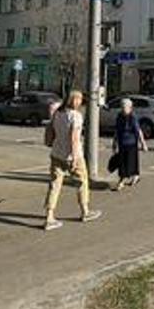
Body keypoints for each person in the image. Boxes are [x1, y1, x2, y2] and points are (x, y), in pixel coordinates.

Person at [43, 90, 102, 231]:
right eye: (79, 99)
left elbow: (53, 132)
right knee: (82, 182)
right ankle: (85, 211)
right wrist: (75, 158)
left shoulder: (58, 114)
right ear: (74, 100)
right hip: (72, 156)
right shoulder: (75, 116)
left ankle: (49, 217)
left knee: (54, 185)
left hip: (56, 154)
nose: (81, 102)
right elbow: (74, 139)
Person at [113, 98, 148, 190]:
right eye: (122, 107)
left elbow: (138, 131)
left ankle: (126, 180)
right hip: (122, 143)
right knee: (122, 164)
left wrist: (143, 143)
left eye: (124, 107)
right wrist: (114, 142)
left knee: (130, 162)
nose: (123, 109)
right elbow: (117, 130)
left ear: (130, 107)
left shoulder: (133, 117)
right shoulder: (119, 116)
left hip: (131, 143)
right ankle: (125, 179)